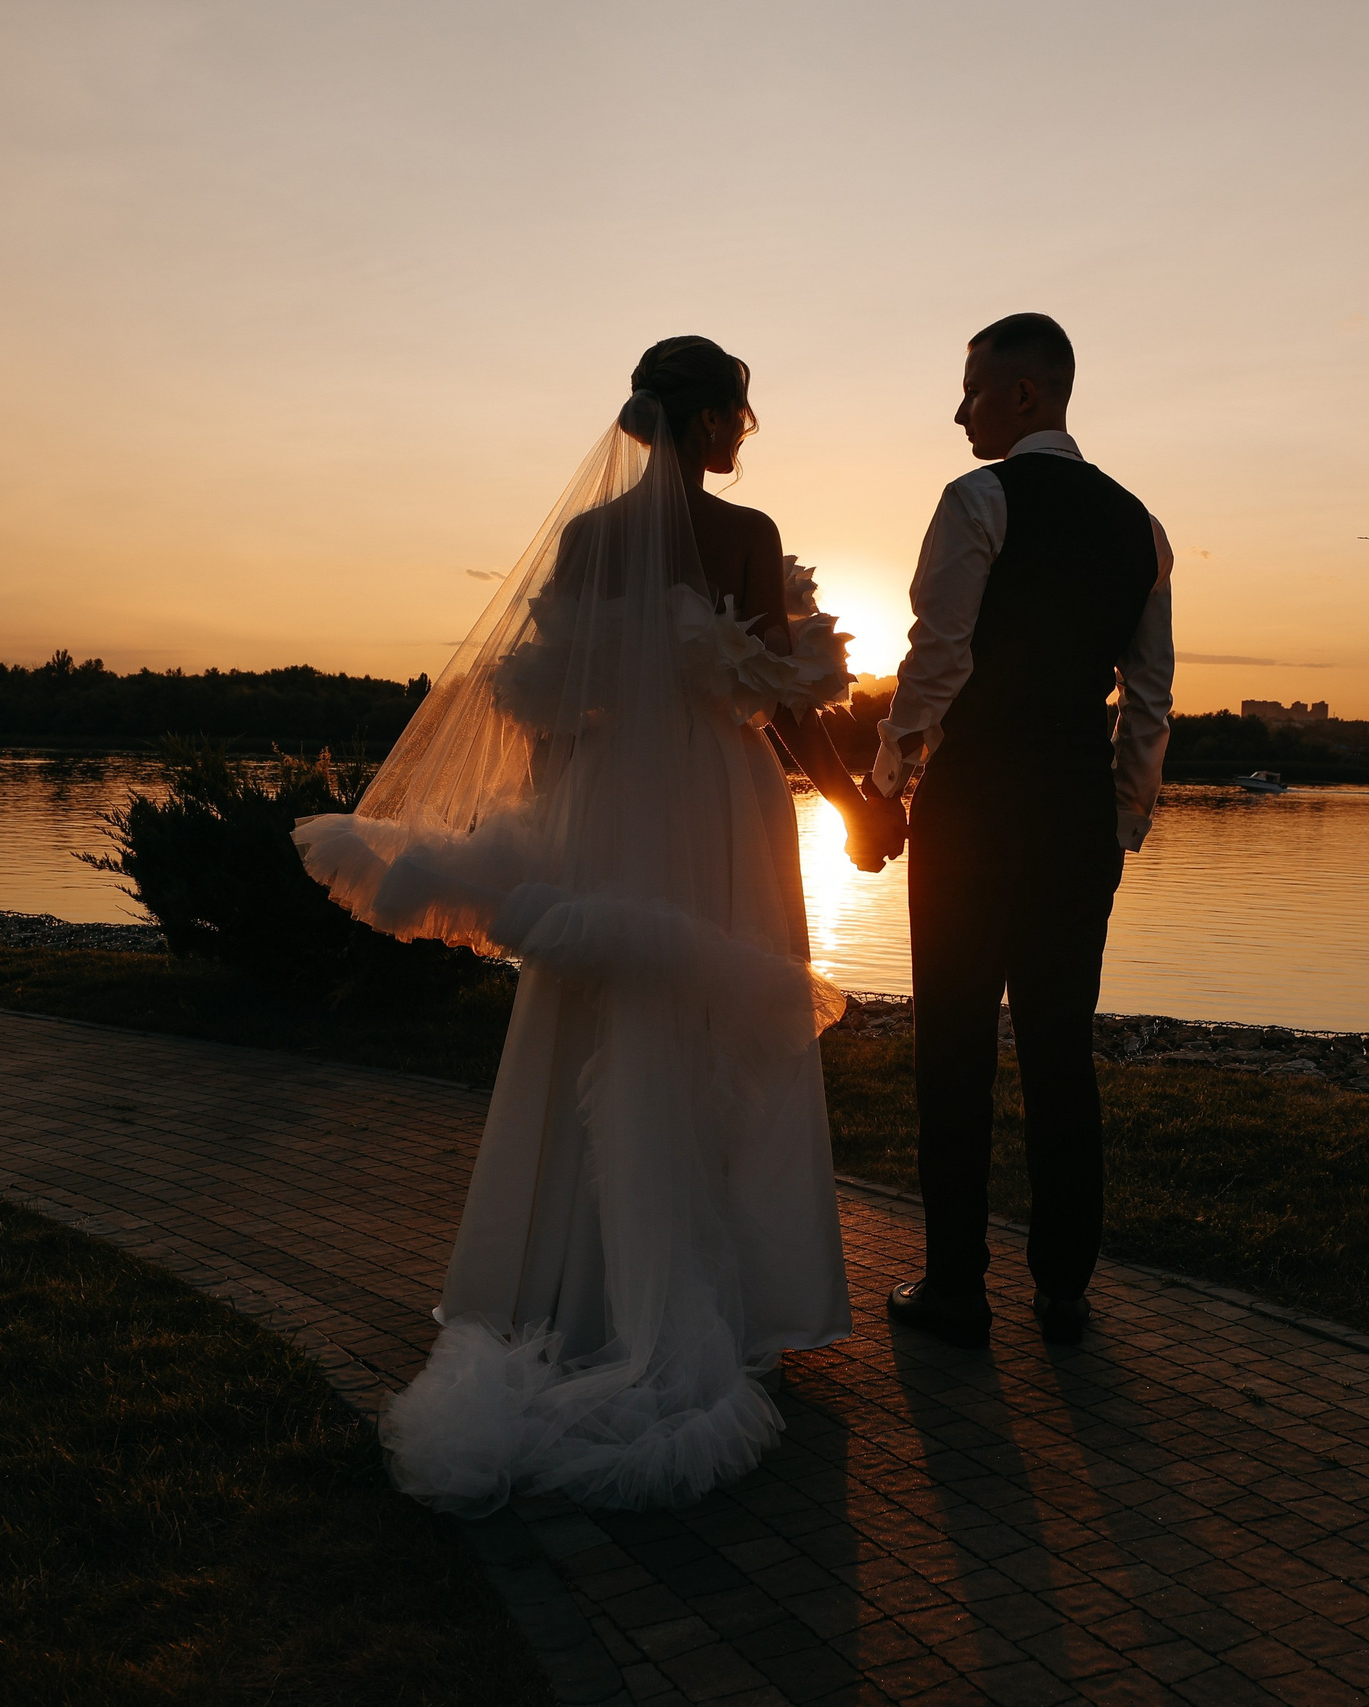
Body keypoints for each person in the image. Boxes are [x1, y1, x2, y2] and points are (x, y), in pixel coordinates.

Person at [294, 337, 902, 1514]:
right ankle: (718, 1301)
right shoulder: (746, 537)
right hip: (719, 804)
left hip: (612, 792)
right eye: (739, 415)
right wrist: (852, 807)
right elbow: (783, 711)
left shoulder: (584, 542)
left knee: (593, 1011)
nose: (744, 436)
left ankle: (564, 1293)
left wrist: (566, 812)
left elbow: (546, 703)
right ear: (710, 420)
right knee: (715, 1020)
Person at [868, 313, 1175, 1348]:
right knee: (1059, 1045)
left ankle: (956, 1288)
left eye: (972, 390)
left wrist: (890, 775)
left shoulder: (978, 498)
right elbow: (1149, 700)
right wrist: (1124, 820)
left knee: (953, 1041)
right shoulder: (1140, 526)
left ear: (1027, 395)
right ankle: (1063, 1288)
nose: (959, 411)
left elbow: (937, 659)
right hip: (1074, 813)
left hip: (975, 804)